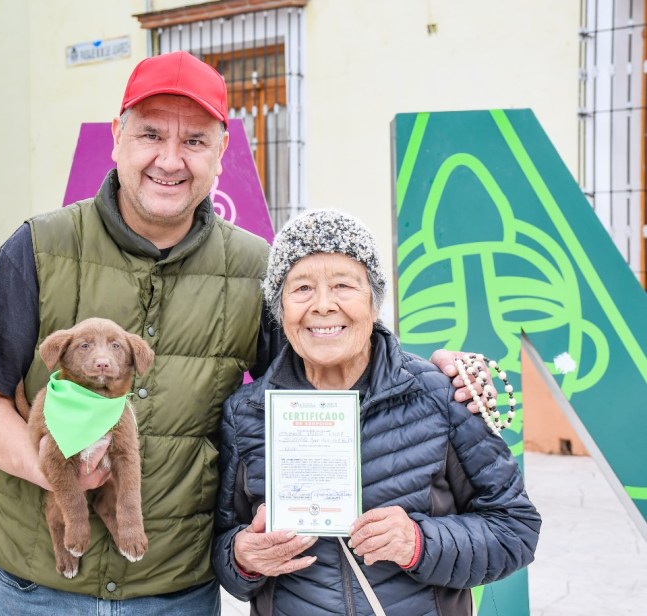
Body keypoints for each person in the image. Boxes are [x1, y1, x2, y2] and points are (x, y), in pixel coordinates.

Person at [0, 50, 496, 615]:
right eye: (150, 135)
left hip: (176, 590)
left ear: (221, 153)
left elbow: (327, 371)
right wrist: (61, 473)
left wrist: (437, 371)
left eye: (194, 140)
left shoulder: (256, 269)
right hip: (37, 586)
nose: (170, 159)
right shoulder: (37, 249)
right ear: (117, 137)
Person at [212, 210, 541, 615]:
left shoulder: (441, 393)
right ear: (280, 308)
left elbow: (516, 530)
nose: (322, 305)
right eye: (301, 289)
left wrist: (418, 543)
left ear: (374, 300)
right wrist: (243, 559)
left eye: (344, 285)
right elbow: (224, 551)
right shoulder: (247, 414)